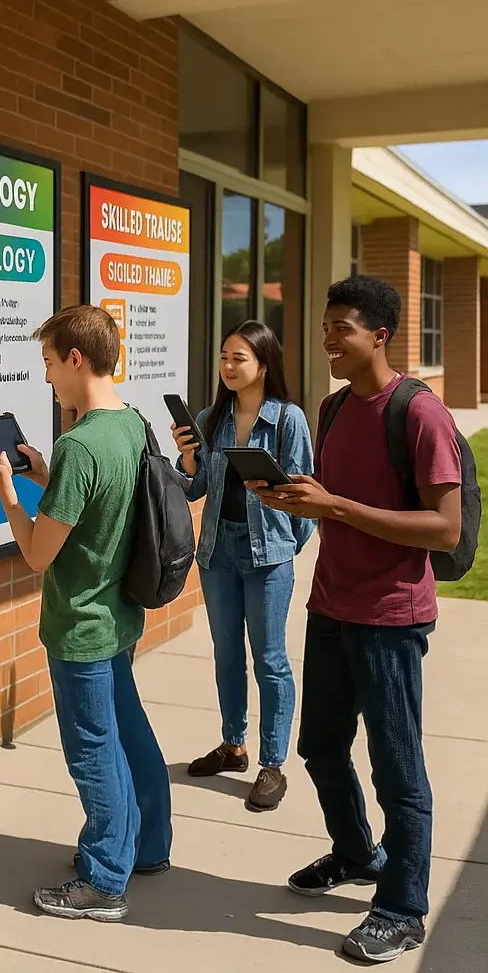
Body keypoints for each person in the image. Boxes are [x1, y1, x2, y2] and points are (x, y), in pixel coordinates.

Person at [254, 276, 461, 964]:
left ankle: (402, 908)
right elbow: (332, 502)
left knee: (398, 770)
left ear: (380, 333)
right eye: (324, 325)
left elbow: (443, 527)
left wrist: (336, 507)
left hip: (391, 617)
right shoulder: (334, 408)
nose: (327, 340)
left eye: (340, 327)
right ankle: (355, 853)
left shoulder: (420, 413)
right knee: (318, 746)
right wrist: (293, 499)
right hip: (332, 605)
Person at [0, 304, 172, 923]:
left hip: (81, 625)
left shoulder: (81, 443)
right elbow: (97, 514)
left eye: (47, 364)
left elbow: (39, 555)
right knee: (128, 733)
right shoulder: (130, 425)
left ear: (76, 358)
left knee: (93, 750)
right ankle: (146, 846)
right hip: (118, 614)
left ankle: (102, 880)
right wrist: (44, 477)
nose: (46, 381)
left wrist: (9, 495)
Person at [172, 321, 315, 811]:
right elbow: (195, 488)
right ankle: (233, 745)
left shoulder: (289, 419)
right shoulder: (212, 417)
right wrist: (189, 459)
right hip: (217, 552)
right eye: (224, 357)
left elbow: (304, 494)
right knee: (227, 654)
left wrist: (285, 546)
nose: (229, 367)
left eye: (239, 358)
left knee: (270, 660)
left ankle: (272, 765)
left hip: (267, 556)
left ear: (264, 364)